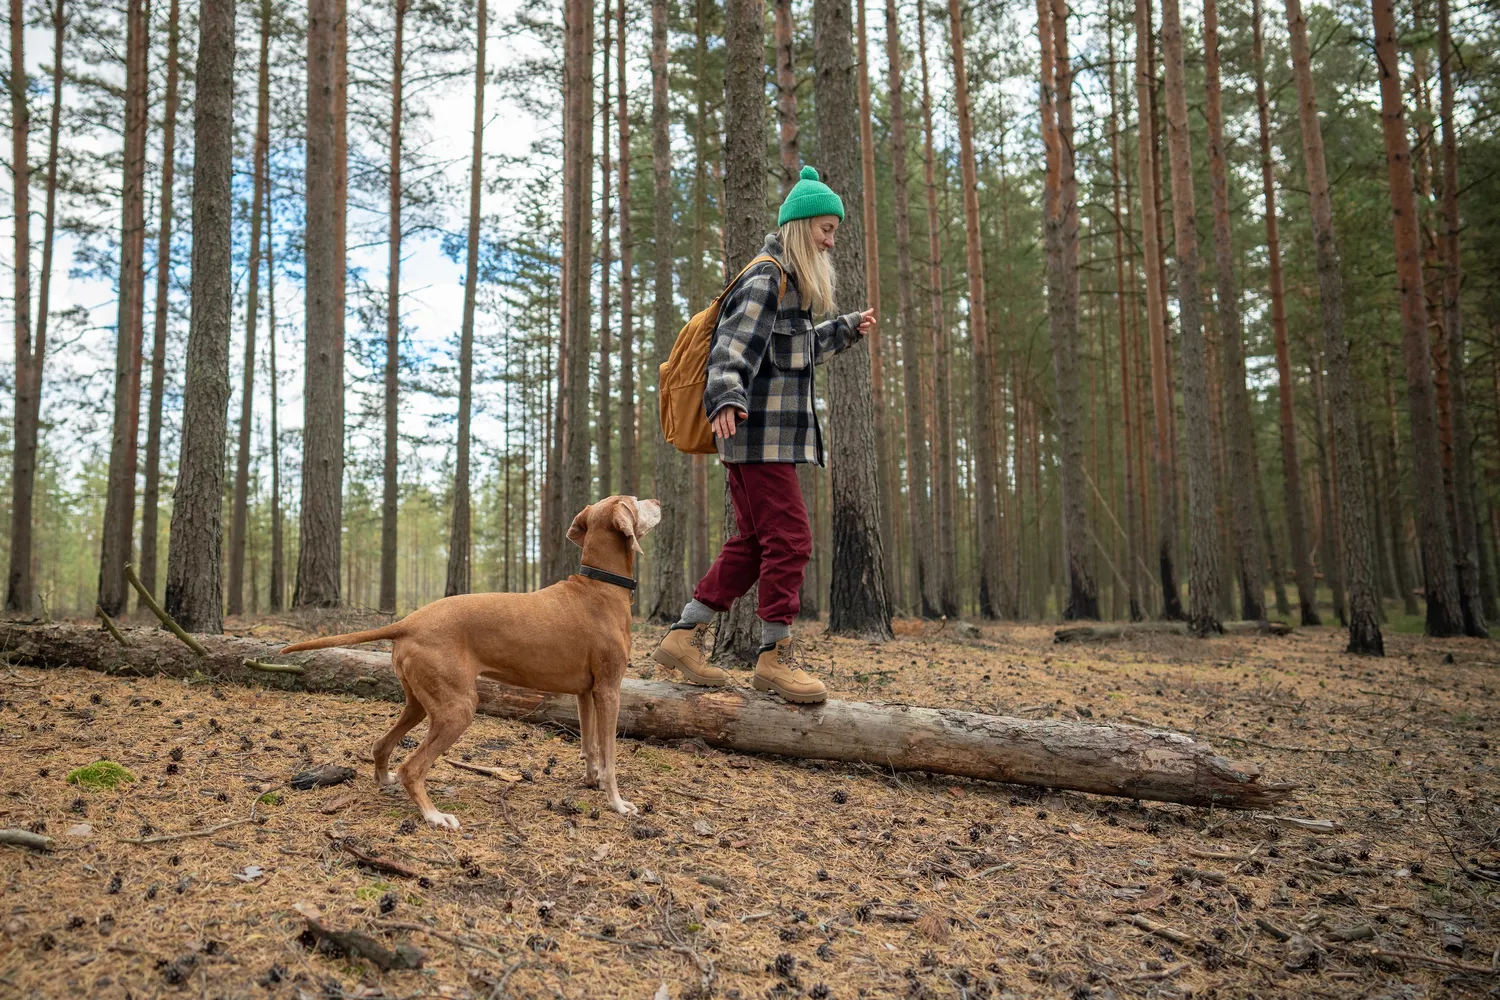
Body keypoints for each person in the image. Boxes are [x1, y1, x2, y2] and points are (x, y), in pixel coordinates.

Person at [652, 166, 876, 704]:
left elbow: (787, 353)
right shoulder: (767, 276)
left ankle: (684, 636)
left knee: (753, 544)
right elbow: (733, 346)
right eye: (824, 229)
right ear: (800, 226)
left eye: (833, 231)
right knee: (792, 539)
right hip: (758, 438)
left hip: (766, 438)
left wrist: (843, 329)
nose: (829, 240)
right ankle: (775, 657)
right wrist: (725, 395)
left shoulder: (790, 288)